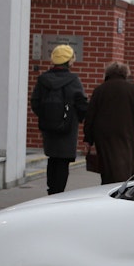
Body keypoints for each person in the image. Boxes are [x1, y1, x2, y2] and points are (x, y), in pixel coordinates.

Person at [84, 61, 134, 184]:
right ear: (125, 74)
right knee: (125, 164)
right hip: (125, 134)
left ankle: (108, 187)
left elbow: (90, 116)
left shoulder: (99, 90)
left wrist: (88, 139)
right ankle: (122, 188)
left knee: (107, 167)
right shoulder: (133, 90)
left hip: (103, 136)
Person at [30, 44, 88, 194]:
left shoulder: (43, 80)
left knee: (52, 158)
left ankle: (51, 189)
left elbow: (35, 102)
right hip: (68, 128)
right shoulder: (73, 80)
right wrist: (78, 118)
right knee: (63, 161)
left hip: (49, 127)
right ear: (69, 61)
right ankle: (58, 191)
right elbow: (82, 105)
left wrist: (46, 116)